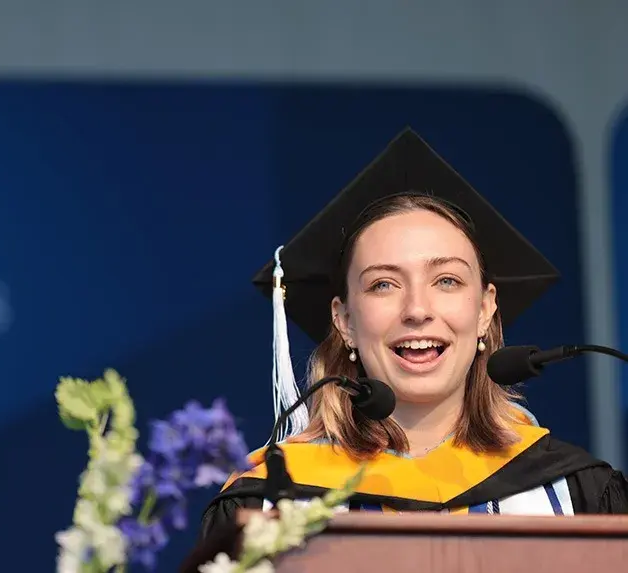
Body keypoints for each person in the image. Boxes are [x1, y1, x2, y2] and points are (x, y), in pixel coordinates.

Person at [198, 128, 628, 545]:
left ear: (484, 310)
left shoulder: (579, 494)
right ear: (344, 320)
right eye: (383, 284)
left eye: (446, 281)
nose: (417, 310)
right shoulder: (269, 501)